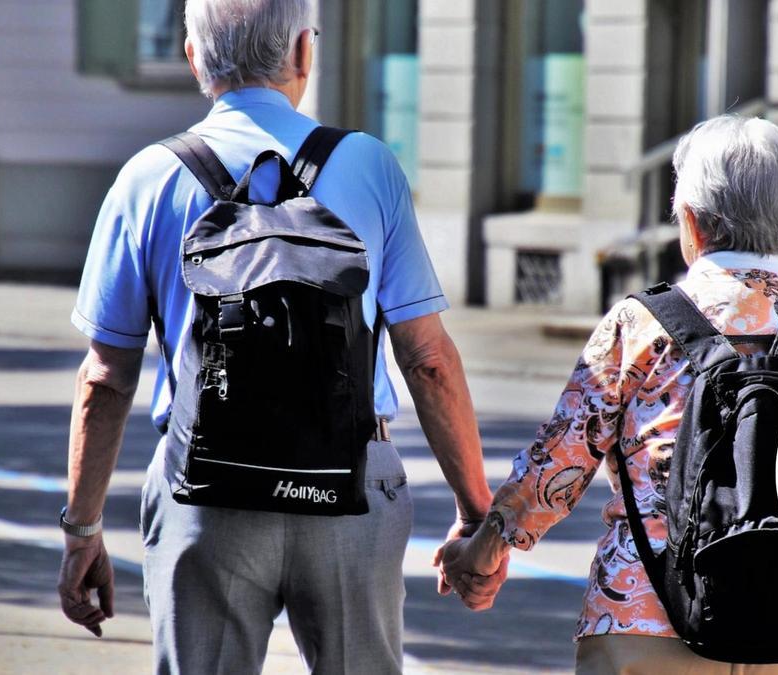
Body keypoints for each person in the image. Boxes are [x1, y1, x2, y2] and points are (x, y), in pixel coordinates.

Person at [55, 1, 505, 671]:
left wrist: (83, 529)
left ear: (192, 57)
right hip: (351, 487)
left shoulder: (145, 179)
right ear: (303, 52)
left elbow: (106, 376)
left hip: (205, 493)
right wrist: (477, 512)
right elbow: (428, 357)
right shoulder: (370, 166)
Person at [437, 115, 778, 674]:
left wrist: (482, 551)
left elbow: (558, 467)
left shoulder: (639, 326)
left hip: (647, 620)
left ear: (691, 223)